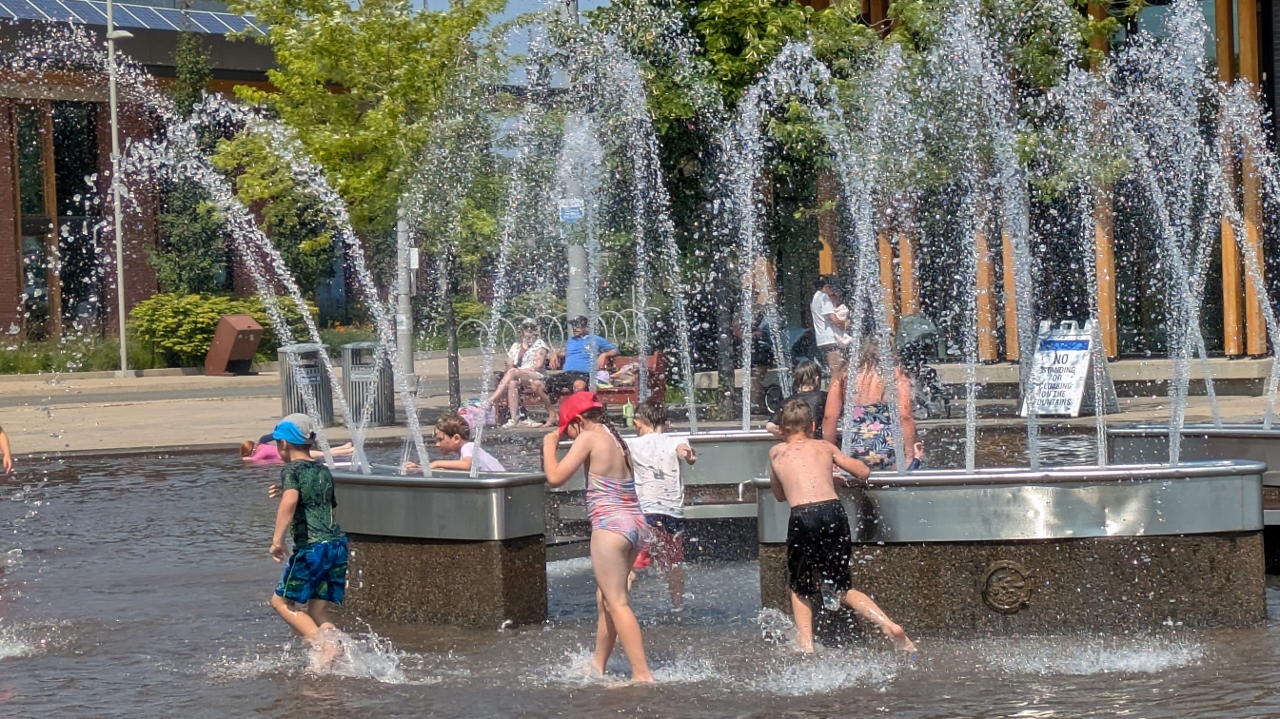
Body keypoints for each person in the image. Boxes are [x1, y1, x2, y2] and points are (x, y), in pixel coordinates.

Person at [768, 399, 914, 653]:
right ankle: (888, 625)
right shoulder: (825, 447)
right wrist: (833, 476)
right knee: (842, 586)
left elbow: (780, 495)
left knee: (800, 586)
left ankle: (806, 644)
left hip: (802, 515)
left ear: (781, 430)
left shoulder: (776, 452)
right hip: (833, 512)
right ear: (812, 425)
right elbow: (863, 472)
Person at [542, 392, 652, 682]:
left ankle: (642, 675)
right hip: (635, 524)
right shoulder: (615, 438)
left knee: (617, 601)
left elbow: (555, 477)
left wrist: (549, 446)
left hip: (610, 526)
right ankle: (597, 665)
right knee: (606, 597)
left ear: (578, 421)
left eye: (569, 431)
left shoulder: (589, 437)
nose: (568, 436)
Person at [266, 413, 349, 665]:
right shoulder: (321, 471)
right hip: (336, 545)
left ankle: (323, 647)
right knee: (317, 609)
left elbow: (290, 502)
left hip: (312, 548)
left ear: (283, 444)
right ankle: (335, 646)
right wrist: (290, 491)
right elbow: (324, 503)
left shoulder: (291, 469)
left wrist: (277, 540)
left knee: (281, 601)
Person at [626, 399, 696, 611]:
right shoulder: (675, 439)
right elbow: (685, 452)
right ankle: (677, 607)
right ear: (664, 423)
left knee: (632, 564)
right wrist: (689, 455)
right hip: (673, 512)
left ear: (638, 422)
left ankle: (619, 609)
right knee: (673, 563)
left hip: (646, 511)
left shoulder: (632, 444)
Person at [823, 337, 921, 470]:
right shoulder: (896, 374)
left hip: (853, 444)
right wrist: (909, 454)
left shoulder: (845, 375)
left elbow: (830, 416)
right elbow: (904, 415)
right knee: (893, 486)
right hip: (887, 444)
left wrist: (831, 454)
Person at [488, 320, 555, 428]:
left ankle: (492, 400)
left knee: (513, 373)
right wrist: (509, 364)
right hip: (518, 375)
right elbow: (509, 363)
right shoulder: (516, 345)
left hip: (536, 375)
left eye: (531, 327)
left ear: (535, 329)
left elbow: (538, 365)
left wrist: (520, 371)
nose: (529, 329)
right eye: (526, 327)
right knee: (512, 383)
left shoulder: (540, 345)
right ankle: (514, 419)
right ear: (522, 329)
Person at [404, 412, 506, 473]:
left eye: (440, 439)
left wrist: (435, 463)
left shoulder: (469, 447)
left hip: (502, 485)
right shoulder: (460, 456)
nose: (437, 444)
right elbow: (448, 471)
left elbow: (466, 465)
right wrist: (420, 468)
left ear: (456, 438)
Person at [546, 316, 619, 398]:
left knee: (579, 386)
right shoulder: (571, 340)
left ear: (587, 327)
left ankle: (579, 410)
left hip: (583, 374)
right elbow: (568, 352)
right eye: (573, 325)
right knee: (546, 385)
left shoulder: (595, 339)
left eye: (578, 325)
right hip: (567, 374)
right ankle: (552, 409)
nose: (575, 328)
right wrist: (556, 354)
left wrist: (604, 355)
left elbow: (615, 350)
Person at [765, 360, 827, 440]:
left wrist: (791, 437)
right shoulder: (823, 397)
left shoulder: (787, 401)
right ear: (817, 379)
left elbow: (770, 427)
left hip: (795, 447)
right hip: (817, 445)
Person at [810, 275, 848, 374]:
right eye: (833, 289)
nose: (834, 292)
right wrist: (845, 323)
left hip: (821, 340)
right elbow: (834, 320)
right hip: (830, 339)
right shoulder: (824, 298)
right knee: (837, 373)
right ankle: (833, 389)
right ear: (827, 287)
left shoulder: (815, 298)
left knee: (835, 372)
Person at [241, 434, 355, 465]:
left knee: (324, 455)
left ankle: (350, 450)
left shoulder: (262, 451)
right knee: (323, 453)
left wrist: (246, 459)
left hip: (296, 453)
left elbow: (256, 459)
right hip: (294, 451)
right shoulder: (263, 447)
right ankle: (345, 447)